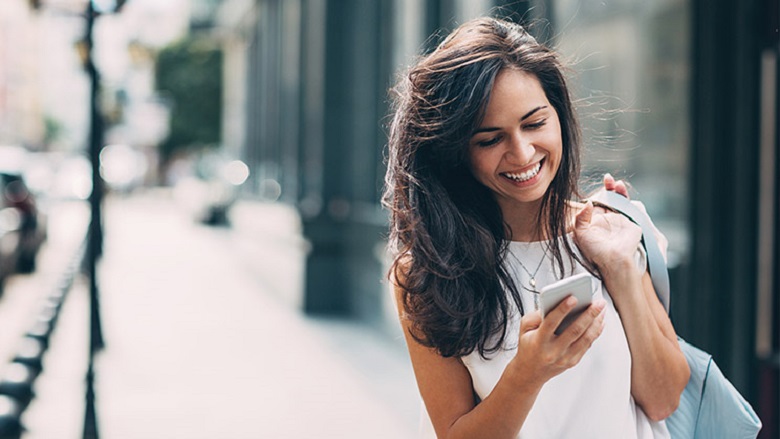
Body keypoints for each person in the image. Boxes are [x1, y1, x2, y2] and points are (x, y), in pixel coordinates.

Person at [383, 17, 690, 439]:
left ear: (559, 115)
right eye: (490, 139)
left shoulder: (610, 230)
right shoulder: (425, 272)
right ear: (455, 152)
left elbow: (665, 399)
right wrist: (527, 373)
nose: (522, 153)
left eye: (534, 123)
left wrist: (621, 271)